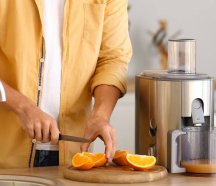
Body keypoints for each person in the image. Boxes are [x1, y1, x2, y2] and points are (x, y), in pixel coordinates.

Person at [0, 0, 132, 168]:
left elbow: (113, 59)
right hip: (5, 154)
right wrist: (23, 106)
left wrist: (100, 115)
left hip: (73, 157)